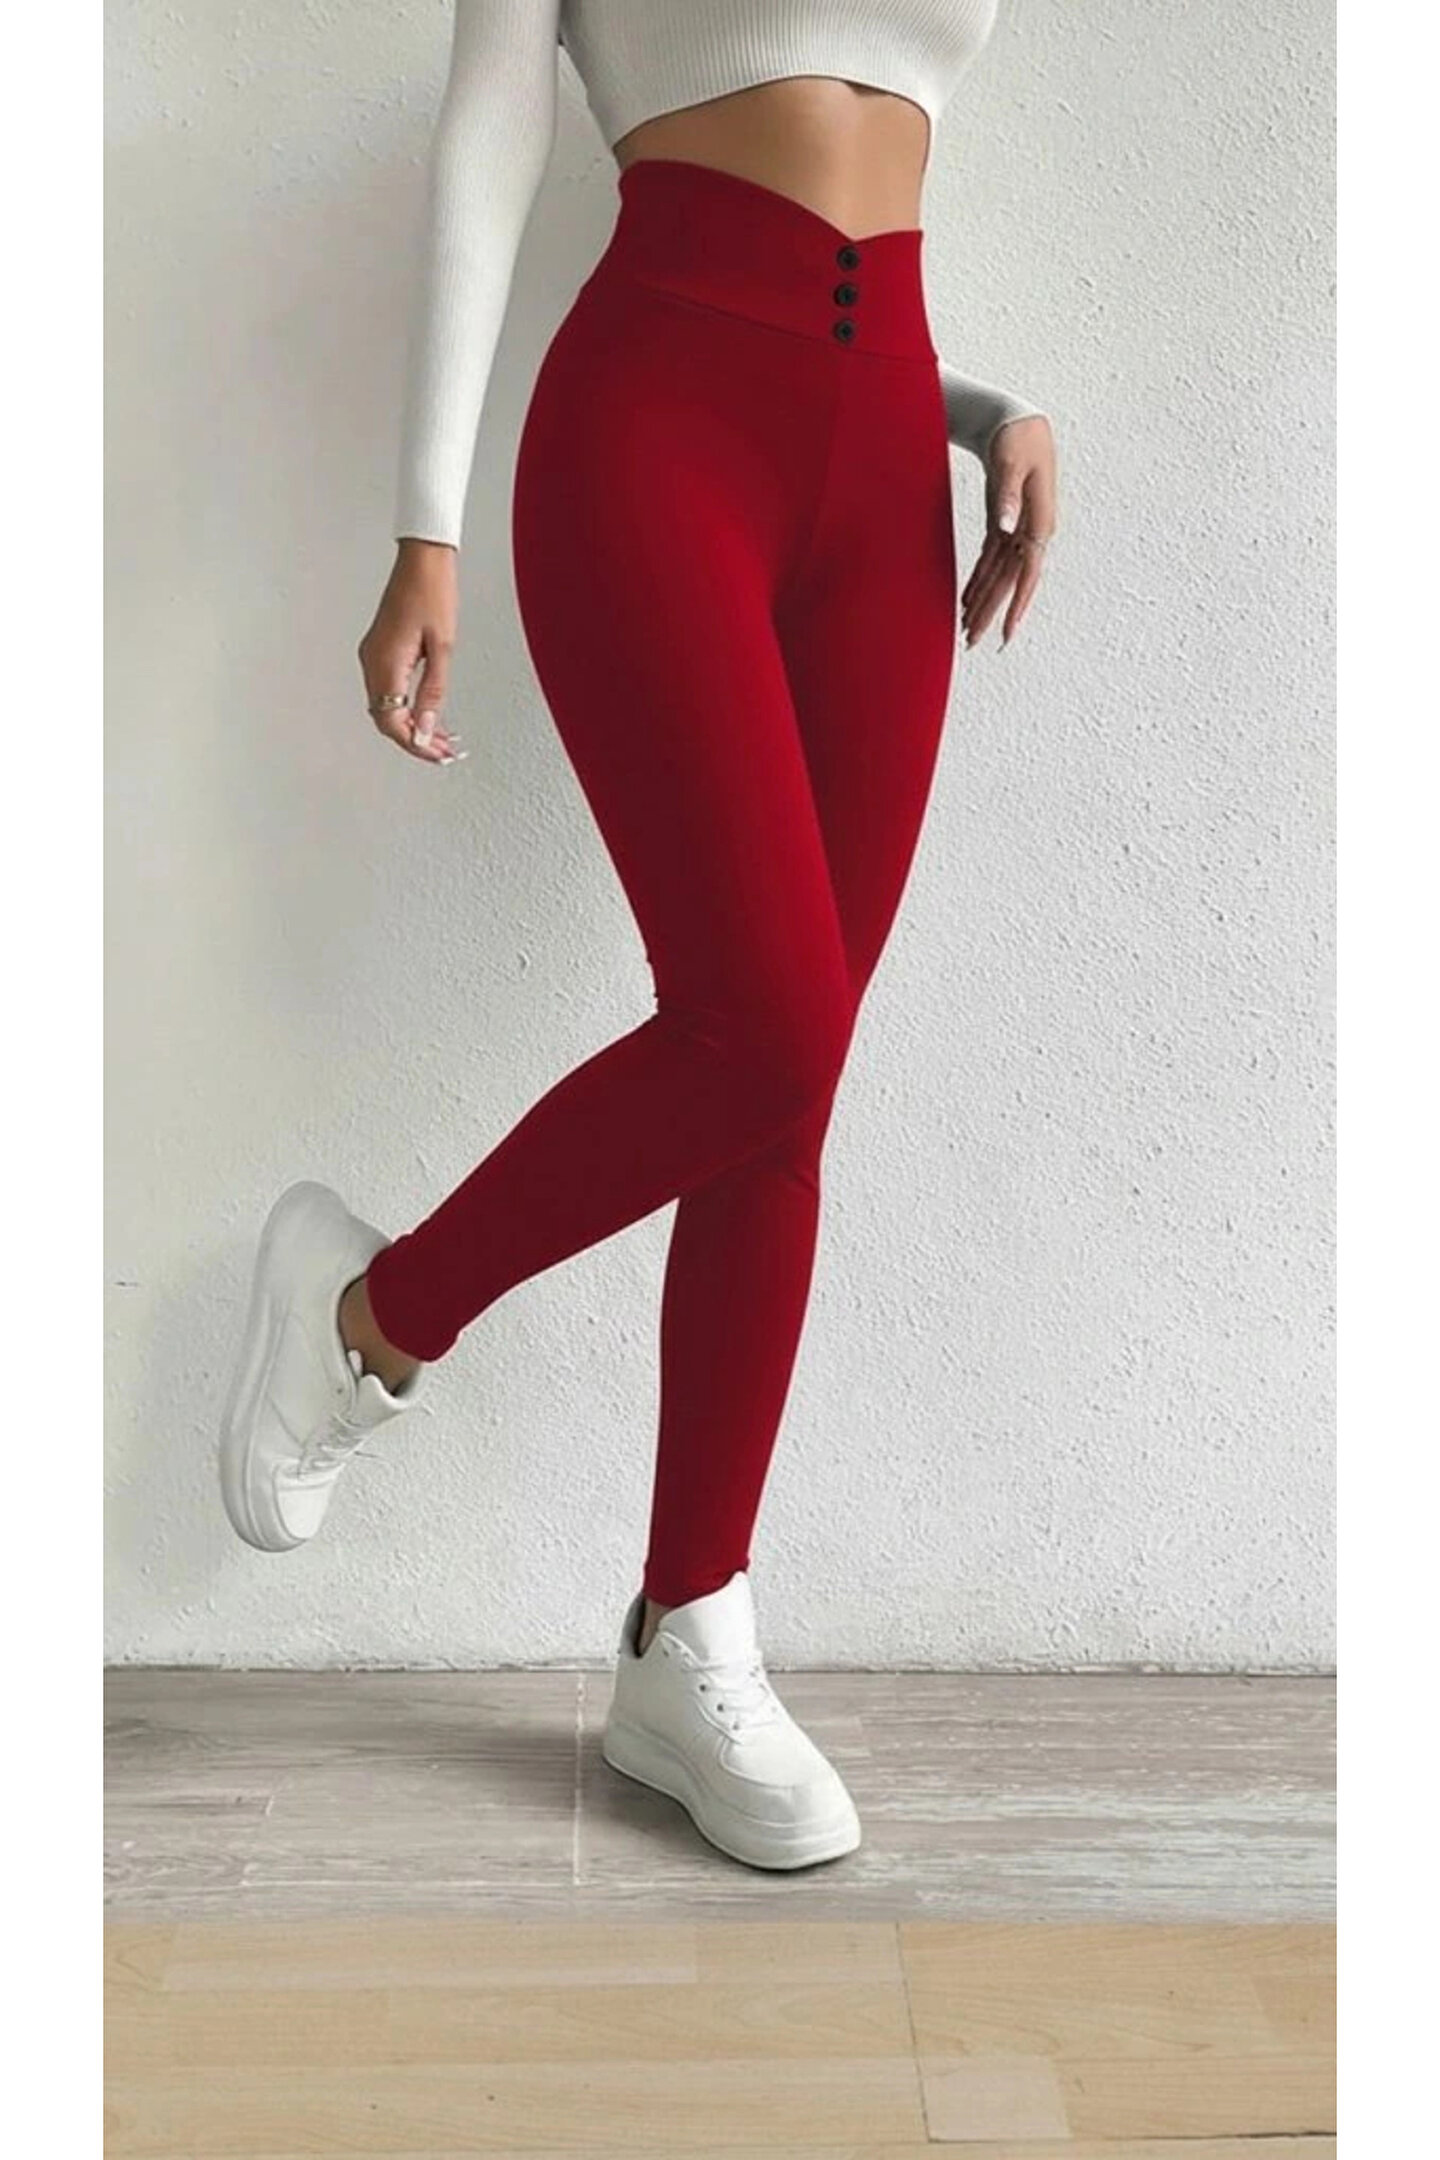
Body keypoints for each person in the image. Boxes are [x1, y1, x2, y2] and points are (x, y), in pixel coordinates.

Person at [219, 0, 1057, 1872]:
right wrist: (424, 529)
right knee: (767, 1020)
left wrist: (983, 405)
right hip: (656, 431)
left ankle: (691, 1631)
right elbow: (489, 140)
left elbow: (854, 201)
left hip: (885, 471)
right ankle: (372, 1320)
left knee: (789, 1087)